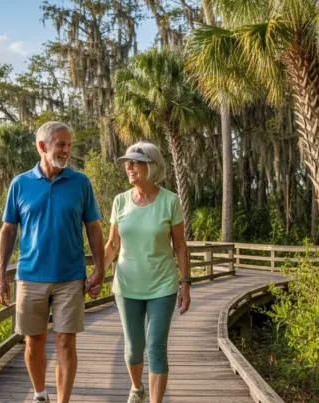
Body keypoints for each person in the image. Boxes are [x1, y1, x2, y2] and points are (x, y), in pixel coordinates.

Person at [0, 121, 105, 403]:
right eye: (61, 144)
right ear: (42, 147)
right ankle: (40, 394)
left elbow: (93, 227)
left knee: (66, 341)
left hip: (70, 276)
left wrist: (100, 269)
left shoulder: (80, 182)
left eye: (69, 144)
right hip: (30, 276)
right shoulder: (20, 184)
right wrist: (0, 276)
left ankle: (62, 401)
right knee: (34, 340)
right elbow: (8, 230)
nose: (67, 150)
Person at [104, 141, 191, 403]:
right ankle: (137, 388)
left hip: (162, 285)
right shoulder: (120, 201)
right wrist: (96, 275)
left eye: (135, 162)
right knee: (133, 350)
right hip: (127, 286)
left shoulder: (170, 200)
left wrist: (185, 283)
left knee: (156, 348)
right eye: (127, 162)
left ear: (151, 166)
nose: (129, 166)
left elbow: (180, 245)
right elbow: (112, 245)